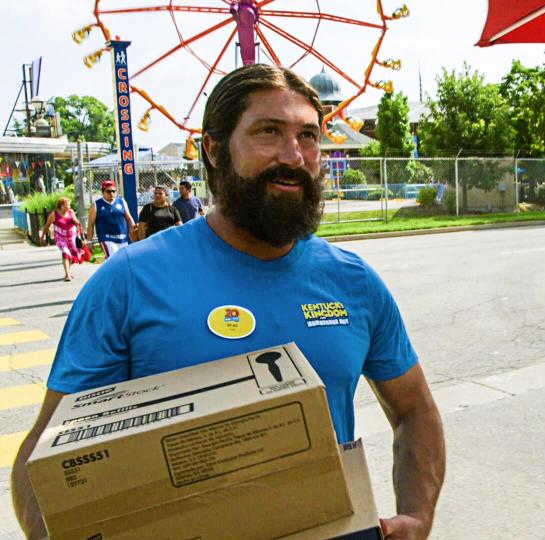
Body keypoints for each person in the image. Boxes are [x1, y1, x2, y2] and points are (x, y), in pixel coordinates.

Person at [12, 64, 445, 540]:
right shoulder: (130, 283)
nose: (294, 155)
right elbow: (46, 457)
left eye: (308, 136)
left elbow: (415, 410)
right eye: (268, 132)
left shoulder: (353, 282)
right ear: (214, 150)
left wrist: (419, 516)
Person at [87, 180, 137, 259]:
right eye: (108, 191)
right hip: (106, 238)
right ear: (103, 192)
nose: (112, 193)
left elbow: (129, 218)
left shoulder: (122, 202)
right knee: (113, 258)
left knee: (123, 260)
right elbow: (91, 223)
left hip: (122, 238)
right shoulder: (96, 205)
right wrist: (89, 241)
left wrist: (135, 231)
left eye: (114, 191)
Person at [40, 196, 84, 281]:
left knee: (74, 256)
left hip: (72, 237)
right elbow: (46, 226)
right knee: (66, 253)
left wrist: (76, 221)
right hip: (60, 237)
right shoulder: (54, 214)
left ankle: (67, 270)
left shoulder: (70, 212)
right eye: (68, 205)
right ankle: (68, 275)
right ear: (62, 205)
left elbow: (77, 222)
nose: (70, 207)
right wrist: (42, 237)